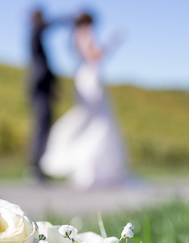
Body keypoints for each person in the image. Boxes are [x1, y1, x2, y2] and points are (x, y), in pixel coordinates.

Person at [39, 11, 129, 189]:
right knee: (96, 120)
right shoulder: (85, 34)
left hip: (84, 76)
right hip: (90, 78)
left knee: (93, 119)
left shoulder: (75, 36)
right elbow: (95, 56)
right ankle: (89, 166)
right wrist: (113, 42)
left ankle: (94, 168)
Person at [26, 7, 63, 182]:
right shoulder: (35, 31)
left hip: (44, 87)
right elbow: (45, 26)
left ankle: (40, 166)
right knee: (41, 126)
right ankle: (35, 167)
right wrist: (67, 18)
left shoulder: (37, 35)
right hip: (39, 87)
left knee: (44, 125)